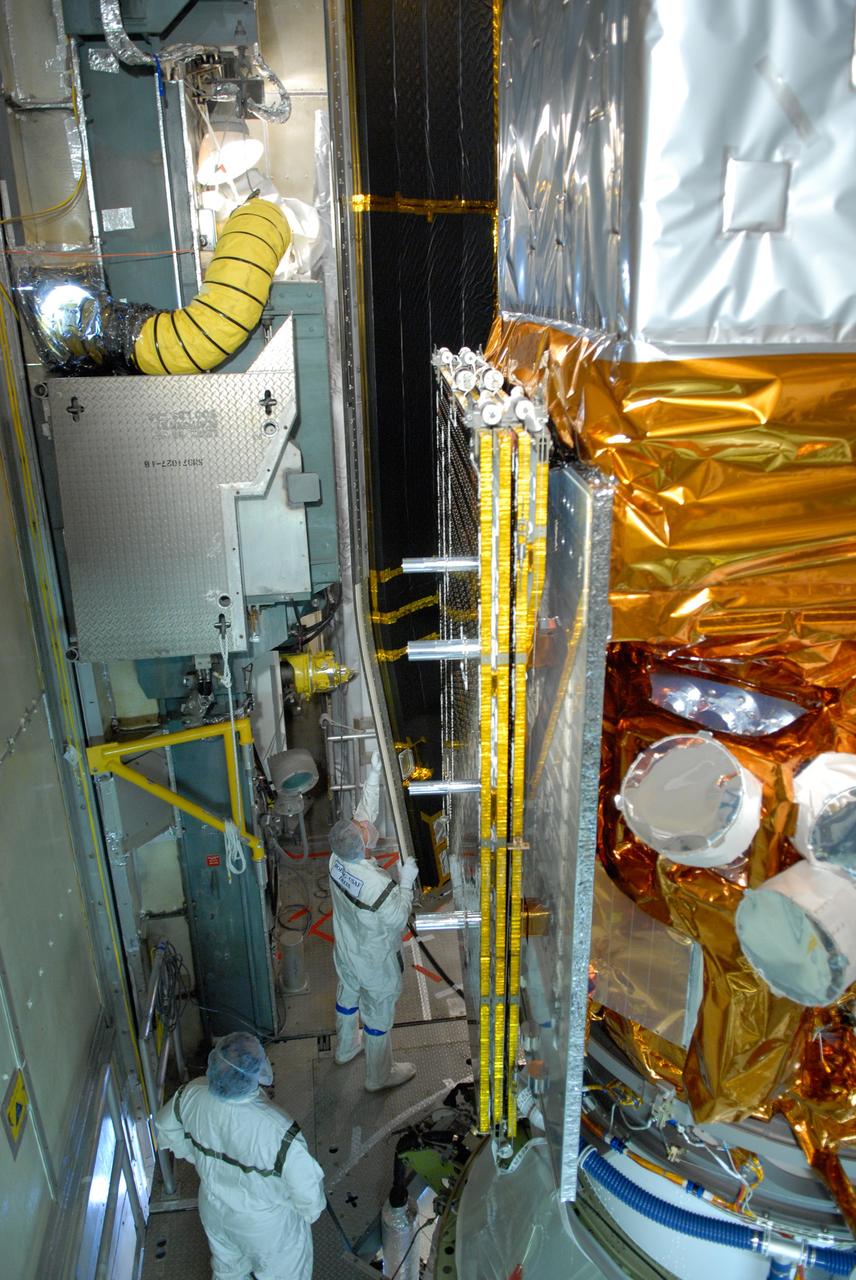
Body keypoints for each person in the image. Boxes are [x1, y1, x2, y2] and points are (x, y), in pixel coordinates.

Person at [156, 1031, 325, 1280]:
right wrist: (307, 1213)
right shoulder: (277, 1130)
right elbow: (309, 1194)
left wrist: (194, 1156)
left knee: (228, 1269)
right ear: (253, 1072)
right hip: (263, 1225)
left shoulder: (191, 1093)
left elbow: (164, 1126)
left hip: (213, 1208)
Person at [328, 811, 420, 1091]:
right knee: (377, 1015)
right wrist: (406, 882)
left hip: (347, 950)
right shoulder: (376, 884)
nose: (365, 824)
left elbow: (361, 815)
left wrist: (374, 776)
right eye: (361, 827)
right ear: (361, 842)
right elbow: (398, 919)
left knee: (347, 995)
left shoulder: (336, 859)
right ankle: (379, 1076)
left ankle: (345, 1048)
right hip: (373, 961)